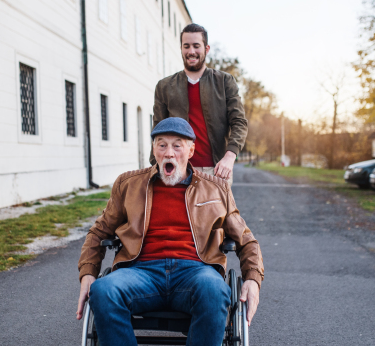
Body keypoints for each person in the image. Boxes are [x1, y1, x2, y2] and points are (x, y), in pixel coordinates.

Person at [77, 117, 263, 346]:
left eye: (177, 145)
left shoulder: (215, 188)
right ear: (154, 149)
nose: (169, 153)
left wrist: (252, 280)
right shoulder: (128, 185)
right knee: (103, 290)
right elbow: (98, 232)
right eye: (161, 144)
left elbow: (247, 240)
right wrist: (88, 273)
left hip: (196, 272)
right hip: (140, 271)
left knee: (215, 290)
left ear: (191, 150)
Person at [151, 24, 248, 185]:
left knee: (218, 211)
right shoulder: (164, 86)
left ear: (206, 48)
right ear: (181, 48)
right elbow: (157, 131)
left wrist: (230, 157)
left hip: (217, 171)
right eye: (186, 46)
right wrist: (155, 167)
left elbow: (239, 122)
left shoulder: (225, 82)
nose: (191, 51)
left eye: (196, 46)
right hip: (178, 171)